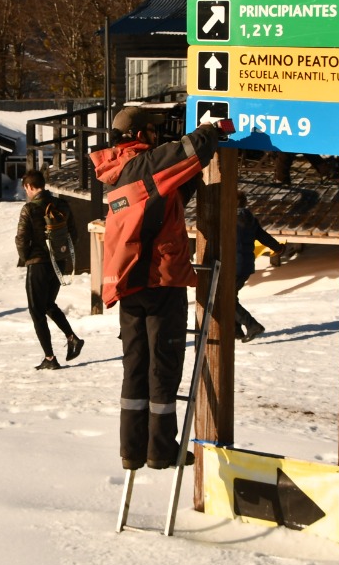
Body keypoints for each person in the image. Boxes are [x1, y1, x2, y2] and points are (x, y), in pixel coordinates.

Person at [89, 106, 228, 471]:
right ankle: (161, 450)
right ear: (140, 134)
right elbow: (190, 150)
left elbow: (165, 195)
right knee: (163, 367)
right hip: (158, 278)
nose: (158, 136)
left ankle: (133, 449)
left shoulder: (119, 169)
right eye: (153, 130)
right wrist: (211, 129)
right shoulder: (144, 165)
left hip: (129, 281)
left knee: (136, 367)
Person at [16, 170, 83, 370]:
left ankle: (50, 358)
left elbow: (21, 238)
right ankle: (72, 338)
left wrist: (26, 257)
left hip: (37, 263)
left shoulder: (29, 208)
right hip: (58, 262)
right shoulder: (62, 204)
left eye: (26, 189)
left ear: (29, 187)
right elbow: (73, 234)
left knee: (36, 311)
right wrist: (61, 255)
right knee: (47, 304)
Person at [234, 191, 283, 343]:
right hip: (246, 265)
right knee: (229, 297)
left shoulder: (229, 219)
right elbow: (264, 237)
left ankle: (252, 325)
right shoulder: (251, 220)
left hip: (233, 265)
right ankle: (236, 331)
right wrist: (278, 248)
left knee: (224, 298)